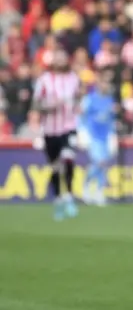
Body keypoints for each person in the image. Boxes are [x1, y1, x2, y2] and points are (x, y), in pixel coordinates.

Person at [32, 49, 81, 221]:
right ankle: (58, 198)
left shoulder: (73, 78)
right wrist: (49, 106)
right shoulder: (44, 80)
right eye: (58, 58)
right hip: (50, 129)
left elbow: (78, 98)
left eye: (63, 58)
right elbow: (36, 104)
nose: (61, 61)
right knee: (54, 166)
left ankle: (69, 194)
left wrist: (78, 107)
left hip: (69, 126)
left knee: (68, 158)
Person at [81, 73, 116, 206]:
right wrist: (83, 133)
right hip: (93, 135)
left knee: (104, 164)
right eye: (103, 83)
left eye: (107, 83)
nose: (105, 85)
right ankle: (87, 185)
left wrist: (113, 135)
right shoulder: (89, 99)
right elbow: (81, 115)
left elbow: (111, 119)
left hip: (106, 136)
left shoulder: (109, 100)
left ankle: (99, 191)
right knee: (99, 162)